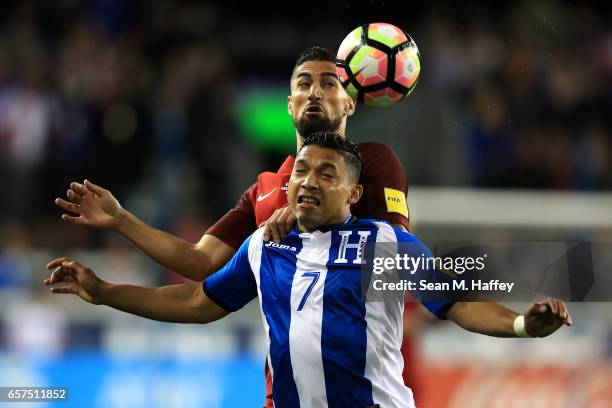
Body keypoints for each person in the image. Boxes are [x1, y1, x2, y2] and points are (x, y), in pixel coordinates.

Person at [46, 132, 572, 408]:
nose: (309, 181)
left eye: (327, 173)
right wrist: (105, 290)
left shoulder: (384, 244)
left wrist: (525, 325)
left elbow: (458, 303)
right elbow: (196, 300)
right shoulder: (265, 247)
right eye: (301, 170)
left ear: (354, 193)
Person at [54, 46, 412, 406]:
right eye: (304, 84)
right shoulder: (265, 189)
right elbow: (199, 265)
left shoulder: (375, 161)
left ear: (350, 103)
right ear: (290, 104)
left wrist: (308, 213)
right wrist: (121, 220)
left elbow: (394, 257)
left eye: (328, 83)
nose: (314, 92)